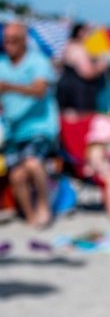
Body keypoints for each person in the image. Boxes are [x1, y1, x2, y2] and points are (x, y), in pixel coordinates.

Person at [0, 22, 60, 227]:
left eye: (14, 40)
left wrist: (9, 87)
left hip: (39, 128)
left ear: (24, 40)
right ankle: (31, 216)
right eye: (6, 40)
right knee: (17, 175)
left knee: (32, 163)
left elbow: (39, 90)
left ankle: (44, 206)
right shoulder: (2, 64)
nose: (9, 44)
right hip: (13, 132)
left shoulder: (38, 62)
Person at [57, 21, 106, 113]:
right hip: (79, 90)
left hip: (64, 85)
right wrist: (100, 68)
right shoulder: (79, 49)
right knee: (82, 121)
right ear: (80, 32)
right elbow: (86, 73)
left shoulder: (68, 45)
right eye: (90, 32)